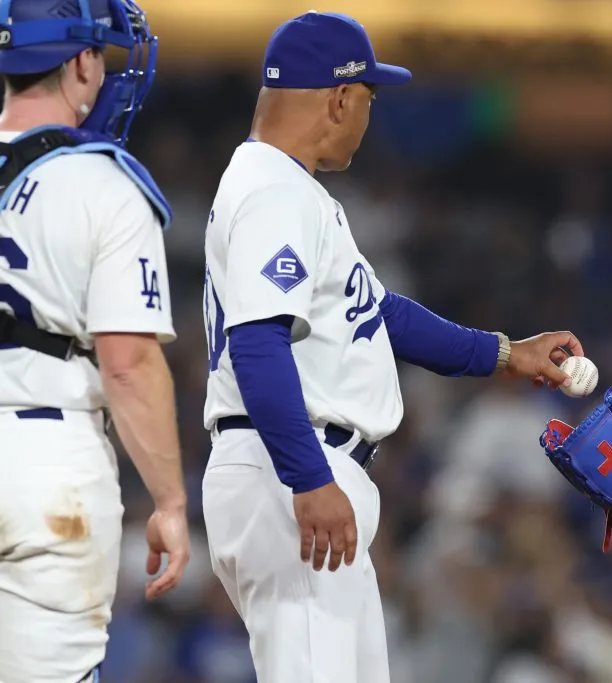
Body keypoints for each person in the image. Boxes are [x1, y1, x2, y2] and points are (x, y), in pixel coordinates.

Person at [200, 11, 584, 682]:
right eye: (369, 100)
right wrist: (308, 477)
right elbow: (257, 344)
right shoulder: (273, 191)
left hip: (299, 466)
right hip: (290, 466)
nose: (368, 116)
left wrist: (505, 353)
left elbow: (383, 315)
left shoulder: (290, 190)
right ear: (340, 97)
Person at [0, 1, 190, 681]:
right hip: (45, 463)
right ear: (81, 61)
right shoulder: (100, 183)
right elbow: (129, 364)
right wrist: (168, 501)